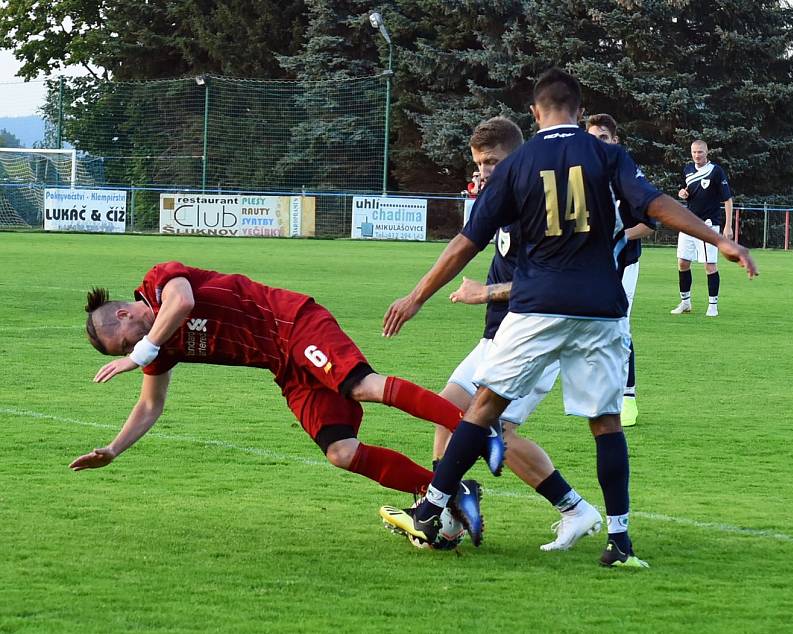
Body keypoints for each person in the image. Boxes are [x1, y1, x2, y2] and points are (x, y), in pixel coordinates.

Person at [380, 68, 757, 568]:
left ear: (535, 113)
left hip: (538, 304)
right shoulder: (606, 155)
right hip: (601, 308)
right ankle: (620, 542)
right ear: (579, 112)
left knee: (484, 404)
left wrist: (417, 297)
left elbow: (465, 242)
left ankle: (431, 508)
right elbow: (657, 204)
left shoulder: (521, 162)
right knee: (605, 423)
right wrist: (721, 240)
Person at [69, 262, 488, 524]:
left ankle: (473, 430)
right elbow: (149, 404)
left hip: (292, 323)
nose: (130, 350)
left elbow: (182, 301)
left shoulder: (159, 282)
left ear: (124, 313)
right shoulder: (160, 348)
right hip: (283, 367)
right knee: (341, 452)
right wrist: (113, 449)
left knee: (361, 386)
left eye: (123, 343)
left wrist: (140, 352)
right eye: (124, 351)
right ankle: (442, 489)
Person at [430, 116, 602, 551]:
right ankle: (448, 512)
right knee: (445, 409)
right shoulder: (504, 197)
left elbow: (551, 280)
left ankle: (575, 509)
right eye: (479, 163)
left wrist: (484, 291)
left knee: (497, 433)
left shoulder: (537, 206)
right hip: (496, 337)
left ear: (517, 156)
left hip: (534, 336)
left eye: (492, 161)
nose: (485, 170)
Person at [586, 113, 655, 426]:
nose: (597, 144)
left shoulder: (626, 177)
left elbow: (648, 224)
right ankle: (602, 392)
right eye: (592, 138)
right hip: (591, 265)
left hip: (625, 261)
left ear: (615, 141)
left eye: (603, 138)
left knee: (620, 325)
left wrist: (619, 235)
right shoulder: (579, 177)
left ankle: (628, 397)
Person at [673, 139, 734, 317]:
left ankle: (713, 305)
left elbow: (727, 199)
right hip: (688, 223)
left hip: (708, 225)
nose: (696, 155)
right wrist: (681, 193)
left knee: (710, 265)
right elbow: (684, 189)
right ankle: (685, 302)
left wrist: (728, 226)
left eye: (700, 152)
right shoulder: (688, 170)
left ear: (706, 152)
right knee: (683, 262)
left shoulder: (715, 171)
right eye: (694, 152)